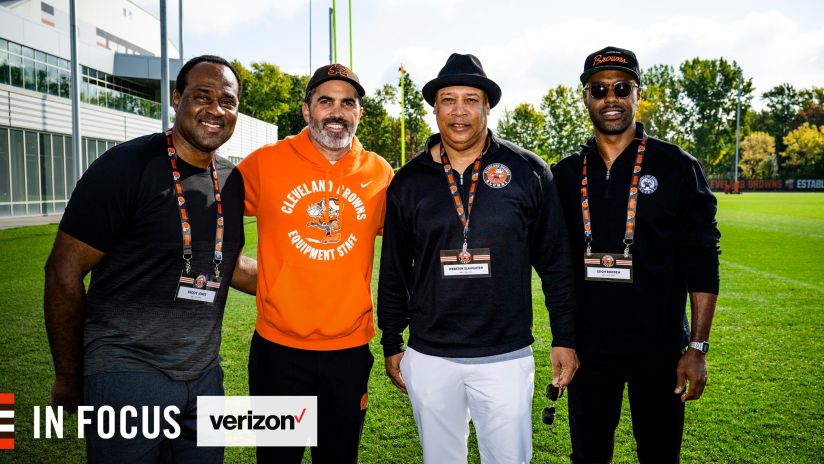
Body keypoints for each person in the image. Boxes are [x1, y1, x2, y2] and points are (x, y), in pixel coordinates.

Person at [44, 55, 257, 463]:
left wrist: (314, 280)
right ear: (177, 99)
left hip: (204, 375)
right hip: (128, 372)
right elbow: (62, 273)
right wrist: (69, 375)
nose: (215, 110)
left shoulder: (232, 180)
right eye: (202, 96)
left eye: (227, 101)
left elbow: (227, 263)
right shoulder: (124, 167)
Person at [378, 53, 578, 464]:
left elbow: (556, 262)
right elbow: (395, 269)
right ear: (435, 108)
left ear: (487, 106)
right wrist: (392, 339)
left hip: (505, 355)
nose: (459, 111)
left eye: (471, 99)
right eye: (448, 100)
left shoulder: (527, 171)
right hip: (430, 355)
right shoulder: (409, 181)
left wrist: (565, 336)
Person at [550, 46, 721, 463]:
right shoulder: (565, 174)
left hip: (659, 348)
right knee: (588, 457)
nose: (611, 98)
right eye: (599, 89)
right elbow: (552, 264)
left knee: (660, 456)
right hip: (588, 351)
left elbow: (703, 258)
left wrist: (697, 347)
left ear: (636, 94)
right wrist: (563, 339)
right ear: (585, 97)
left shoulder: (677, 165)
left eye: (621, 88)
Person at [238, 63, 393, 463]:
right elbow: (207, 216)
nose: (337, 112)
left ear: (359, 113)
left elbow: (411, 250)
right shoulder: (265, 162)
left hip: (349, 351)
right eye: (326, 101)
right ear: (307, 111)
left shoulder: (380, 173)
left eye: (348, 103)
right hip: (278, 351)